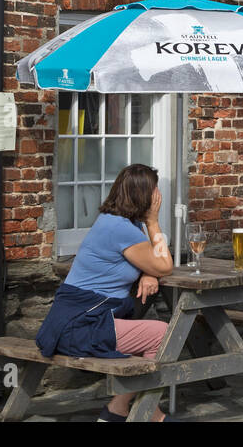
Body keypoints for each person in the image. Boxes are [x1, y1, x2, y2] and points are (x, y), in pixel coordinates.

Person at [35, 163, 174, 422]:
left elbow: (150, 261)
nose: (158, 196)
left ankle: (125, 412)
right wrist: (153, 222)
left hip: (72, 322)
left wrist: (148, 272)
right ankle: (137, 414)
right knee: (163, 334)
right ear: (144, 196)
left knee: (143, 334)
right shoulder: (120, 229)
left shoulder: (114, 222)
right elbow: (165, 264)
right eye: (155, 190)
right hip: (79, 327)